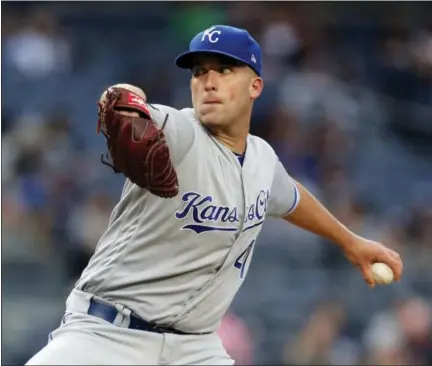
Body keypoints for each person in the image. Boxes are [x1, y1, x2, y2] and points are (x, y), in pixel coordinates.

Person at [26, 25, 403, 365]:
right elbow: (123, 102)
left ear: (255, 85)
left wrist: (350, 241)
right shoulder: (181, 132)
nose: (208, 81)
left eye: (223, 70)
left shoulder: (262, 158)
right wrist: (124, 98)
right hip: (108, 335)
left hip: (196, 348)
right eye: (199, 71)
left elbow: (290, 197)